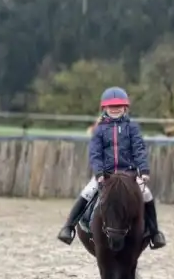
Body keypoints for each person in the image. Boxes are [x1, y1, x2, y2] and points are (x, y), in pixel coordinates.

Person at [57, 86, 167, 249]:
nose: (115, 110)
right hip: (106, 174)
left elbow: (139, 149)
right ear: (105, 108)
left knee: (147, 195)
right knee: (87, 193)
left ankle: (154, 232)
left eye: (119, 107)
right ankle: (68, 227)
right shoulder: (99, 130)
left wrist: (143, 171)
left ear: (125, 108)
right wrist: (99, 172)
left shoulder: (132, 128)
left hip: (129, 174)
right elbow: (95, 153)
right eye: (111, 107)